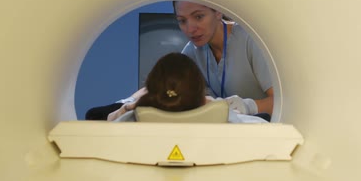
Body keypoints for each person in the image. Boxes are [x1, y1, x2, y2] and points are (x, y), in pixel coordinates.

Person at [174, 1, 274, 117]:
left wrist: (249, 106)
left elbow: (286, 101)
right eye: (182, 20)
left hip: (266, 128)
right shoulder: (191, 52)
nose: (190, 29)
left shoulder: (250, 40)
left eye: (198, 17)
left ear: (218, 11)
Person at [109, 52, 267, 123]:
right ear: (200, 92)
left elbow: (109, 122)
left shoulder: (129, 120)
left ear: (151, 86)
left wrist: (127, 108)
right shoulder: (228, 119)